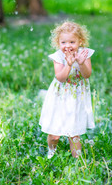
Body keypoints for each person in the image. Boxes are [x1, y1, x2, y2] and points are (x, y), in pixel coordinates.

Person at [39, 21, 95, 159]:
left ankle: (78, 162)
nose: (68, 46)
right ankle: (51, 152)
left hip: (77, 98)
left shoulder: (84, 54)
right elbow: (61, 77)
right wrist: (68, 65)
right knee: (54, 134)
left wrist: (80, 63)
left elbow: (87, 74)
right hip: (59, 97)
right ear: (58, 43)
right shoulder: (58, 56)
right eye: (64, 42)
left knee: (74, 133)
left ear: (80, 42)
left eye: (72, 42)